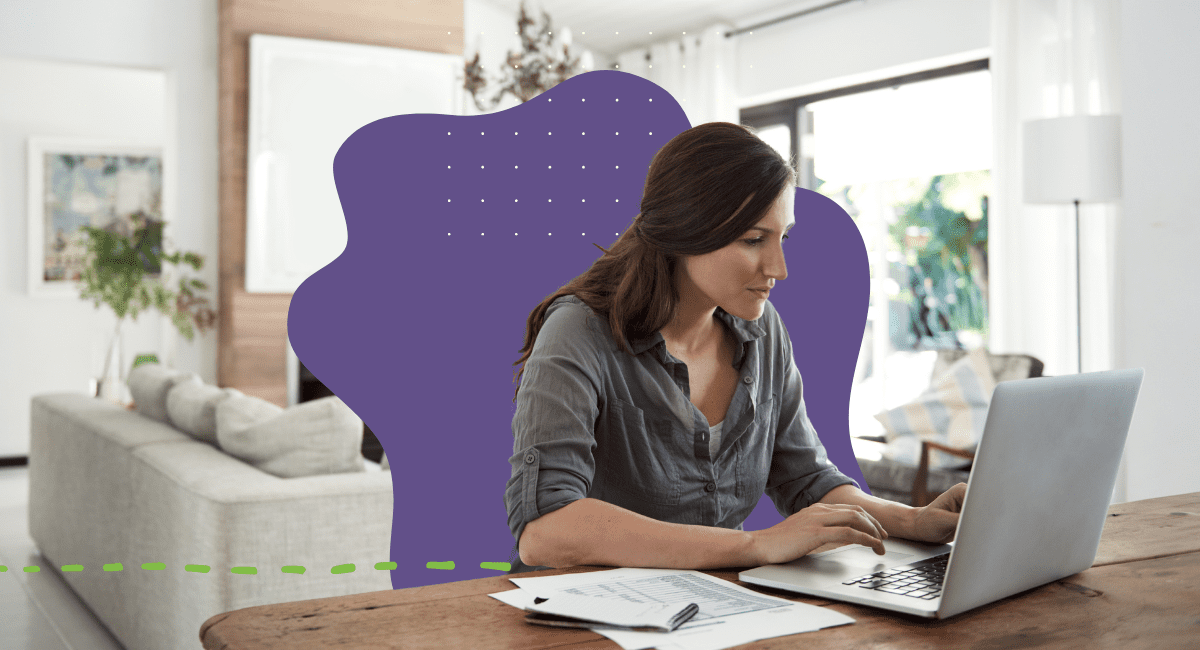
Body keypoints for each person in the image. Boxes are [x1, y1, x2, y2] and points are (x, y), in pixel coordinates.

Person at [504, 122, 964, 573]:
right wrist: (756, 545)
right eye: (753, 240)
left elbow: (807, 479)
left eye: (783, 238)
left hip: (712, 611)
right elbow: (545, 529)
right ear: (686, 232)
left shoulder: (764, 332)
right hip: (580, 615)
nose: (779, 268)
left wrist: (913, 519)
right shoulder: (578, 332)